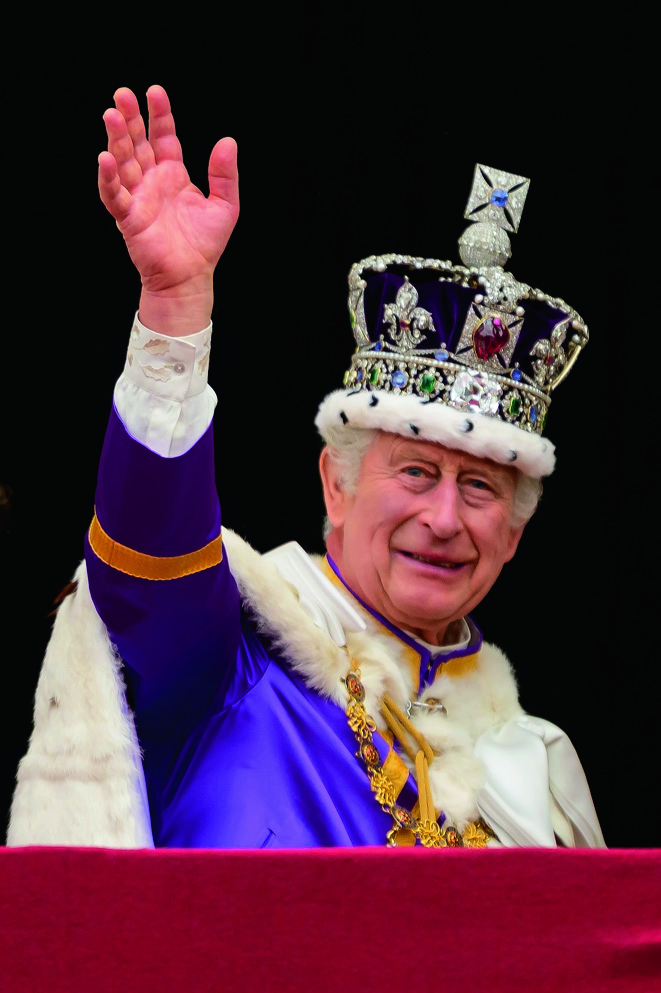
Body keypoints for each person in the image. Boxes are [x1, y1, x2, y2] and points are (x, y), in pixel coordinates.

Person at [7, 85, 604, 850]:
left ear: (513, 534)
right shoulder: (234, 660)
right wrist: (176, 307)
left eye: (481, 485)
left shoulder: (542, 773)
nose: (445, 518)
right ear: (336, 483)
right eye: (416, 471)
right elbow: (148, 561)